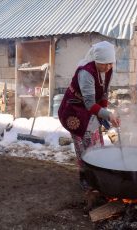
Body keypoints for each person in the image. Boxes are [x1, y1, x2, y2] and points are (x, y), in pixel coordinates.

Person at [58, 41, 120, 186]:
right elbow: (89, 104)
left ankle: (97, 175)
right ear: (96, 60)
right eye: (105, 63)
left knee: (95, 142)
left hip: (90, 108)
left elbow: (103, 94)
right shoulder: (86, 72)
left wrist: (102, 113)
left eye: (111, 63)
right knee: (83, 144)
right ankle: (85, 177)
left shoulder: (108, 69)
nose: (108, 66)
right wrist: (109, 115)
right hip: (75, 110)